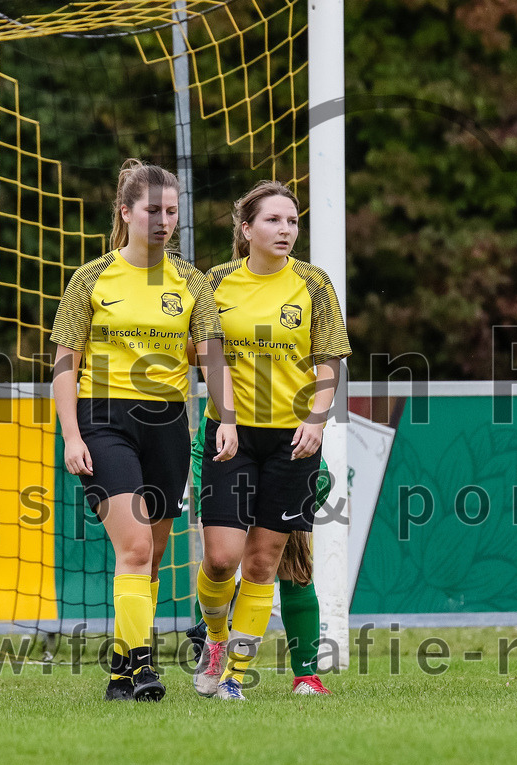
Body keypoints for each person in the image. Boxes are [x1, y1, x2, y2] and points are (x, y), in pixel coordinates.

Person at [52, 159, 237, 702]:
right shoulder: (91, 277)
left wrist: (225, 419)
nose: (162, 220)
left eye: (171, 211)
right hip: (103, 420)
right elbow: (65, 363)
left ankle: (119, 674)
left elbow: (211, 359)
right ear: (126, 212)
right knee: (132, 547)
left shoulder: (192, 283)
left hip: (167, 425)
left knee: (152, 557)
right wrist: (72, 436)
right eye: (152, 210)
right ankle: (142, 665)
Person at [191, 180, 350, 701]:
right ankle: (214, 641)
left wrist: (317, 419)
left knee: (263, 562)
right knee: (220, 558)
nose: (286, 230)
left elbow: (330, 359)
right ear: (246, 229)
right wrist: (229, 408)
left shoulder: (314, 284)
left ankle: (234, 675)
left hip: (293, 440)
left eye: (293, 221)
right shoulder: (214, 283)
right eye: (274, 220)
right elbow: (200, 352)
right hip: (228, 434)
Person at [186, 430, 334, 695]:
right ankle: (214, 638)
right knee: (220, 562)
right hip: (224, 446)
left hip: (288, 447)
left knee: (291, 562)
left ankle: (305, 676)